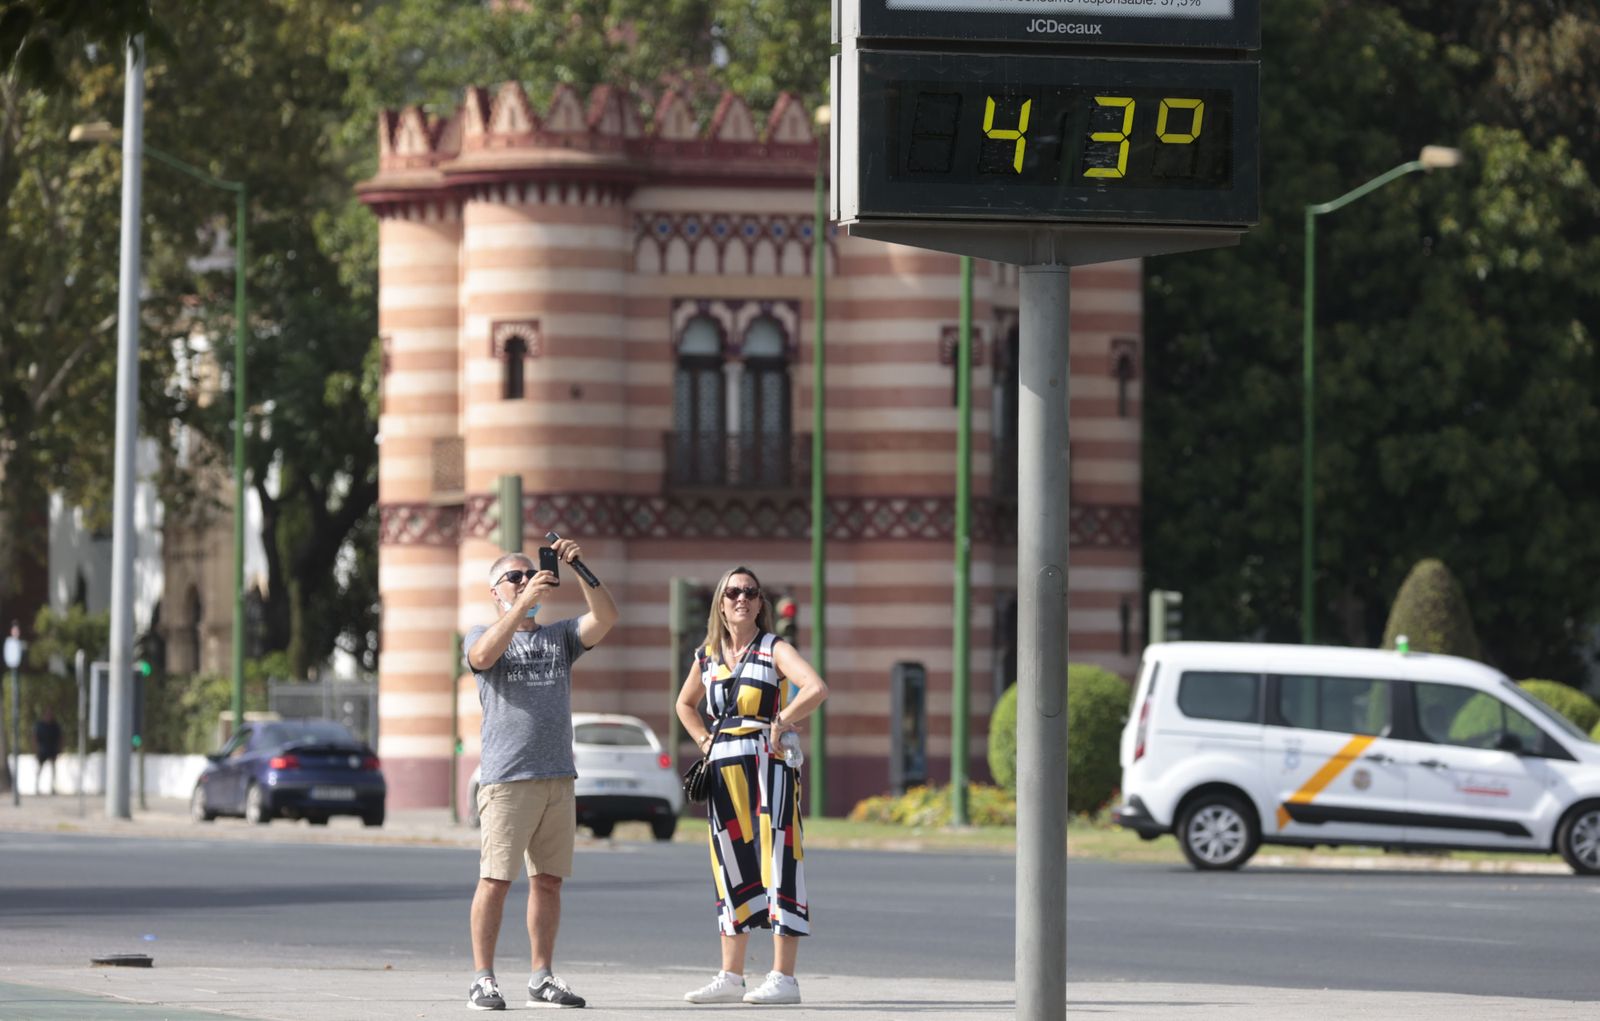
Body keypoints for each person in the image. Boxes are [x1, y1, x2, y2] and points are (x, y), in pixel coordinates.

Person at [463, 536, 619, 1011]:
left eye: (530, 574)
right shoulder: (479, 633)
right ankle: (483, 979)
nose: (525, 581)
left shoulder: (560, 637)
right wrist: (521, 607)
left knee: (548, 881)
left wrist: (580, 569)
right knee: (495, 879)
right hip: (507, 779)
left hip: (557, 777)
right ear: (496, 591)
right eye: (514, 577)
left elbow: (606, 618)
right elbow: (483, 657)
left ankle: (541, 976)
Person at [674, 565, 829, 1005]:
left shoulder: (773, 648)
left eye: (750, 592)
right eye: (732, 592)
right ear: (719, 605)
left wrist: (781, 720)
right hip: (723, 770)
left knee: (779, 859)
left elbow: (815, 687)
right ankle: (731, 975)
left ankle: (784, 978)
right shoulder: (706, 654)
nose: (741, 598)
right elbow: (685, 704)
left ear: (761, 604)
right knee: (730, 864)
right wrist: (705, 740)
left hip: (769, 767)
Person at [34, 707, 62, 797]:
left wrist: (59, 749)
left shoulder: (55, 726)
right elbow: (35, 738)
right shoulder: (40, 725)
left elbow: (60, 738)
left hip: (52, 750)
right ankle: (37, 788)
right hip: (42, 750)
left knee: (53, 770)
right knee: (39, 769)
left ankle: (53, 788)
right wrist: (36, 750)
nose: (49, 716)